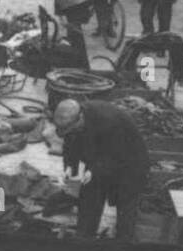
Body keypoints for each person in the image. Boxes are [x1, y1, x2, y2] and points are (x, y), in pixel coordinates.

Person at [52, 98, 149, 240]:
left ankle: (123, 245)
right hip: (102, 156)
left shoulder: (109, 121)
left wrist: (92, 172)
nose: (69, 132)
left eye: (71, 129)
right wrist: (70, 172)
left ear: (80, 118)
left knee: (125, 205)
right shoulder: (75, 123)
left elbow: (113, 156)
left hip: (130, 162)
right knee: (89, 194)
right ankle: (84, 237)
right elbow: (70, 147)